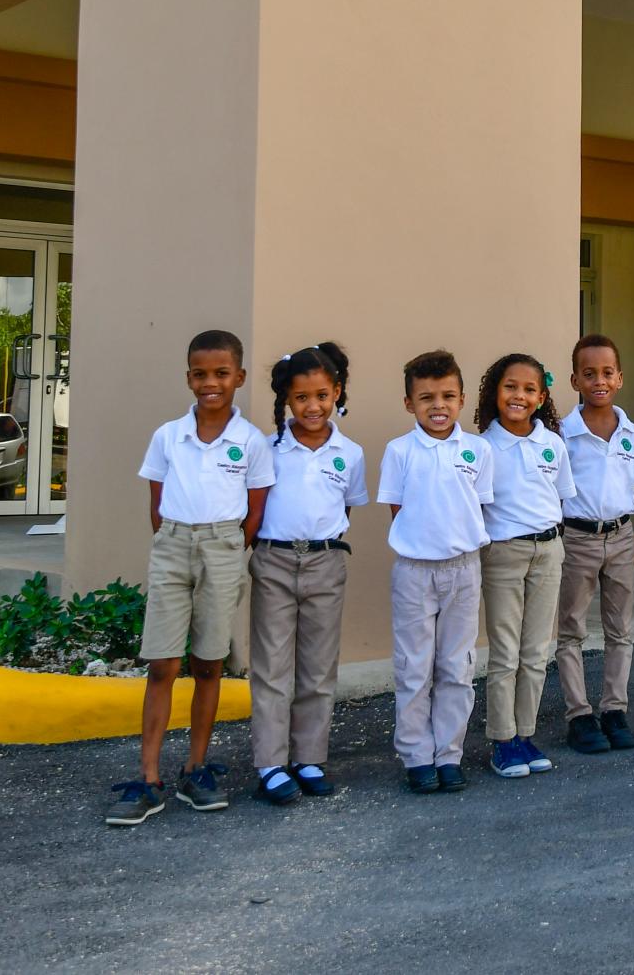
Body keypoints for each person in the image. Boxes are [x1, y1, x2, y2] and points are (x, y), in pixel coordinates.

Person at [107, 328, 274, 826]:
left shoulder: (251, 441)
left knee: (208, 665)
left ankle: (196, 769)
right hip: (173, 546)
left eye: (221, 373)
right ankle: (149, 778)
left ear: (239, 377)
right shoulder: (168, 435)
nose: (211, 383)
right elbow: (156, 504)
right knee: (162, 664)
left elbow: (256, 510)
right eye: (200, 374)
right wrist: (174, 541)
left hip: (224, 547)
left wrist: (227, 548)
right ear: (188, 378)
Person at [248, 343, 366, 805]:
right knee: (274, 667)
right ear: (286, 401)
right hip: (274, 561)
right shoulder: (266, 448)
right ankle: (271, 764)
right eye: (301, 398)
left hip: (325, 561)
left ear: (336, 392)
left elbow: (348, 505)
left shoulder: (349, 453)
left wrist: (322, 546)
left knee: (318, 667)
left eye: (322, 395)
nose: (312, 406)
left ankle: (309, 757)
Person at [378, 350, 494, 794]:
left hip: (463, 571)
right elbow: (398, 509)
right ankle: (416, 755)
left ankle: (448, 753)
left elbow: (478, 506)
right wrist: (421, 548)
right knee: (413, 667)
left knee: (456, 666)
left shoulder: (477, 450)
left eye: (447, 395)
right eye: (426, 397)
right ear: (409, 404)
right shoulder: (400, 451)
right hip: (414, 572)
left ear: (462, 399)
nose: (437, 405)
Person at [476, 353, 575, 779]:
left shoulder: (552, 443)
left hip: (549, 550)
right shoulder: (481, 447)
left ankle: (525, 734)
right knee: (506, 652)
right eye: (510, 387)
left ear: (542, 396)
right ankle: (502, 739)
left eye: (529, 389)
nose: (519, 396)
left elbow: (561, 497)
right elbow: (476, 506)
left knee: (536, 650)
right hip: (503, 553)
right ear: (495, 392)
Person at [555, 334, 634, 756]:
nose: (599, 381)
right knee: (571, 628)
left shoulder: (632, 433)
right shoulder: (562, 435)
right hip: (577, 537)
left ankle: (614, 708)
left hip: (621, 537)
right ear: (575, 379)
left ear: (620, 378)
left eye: (607, 372)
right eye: (589, 373)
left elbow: (633, 485)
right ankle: (579, 714)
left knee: (620, 629)